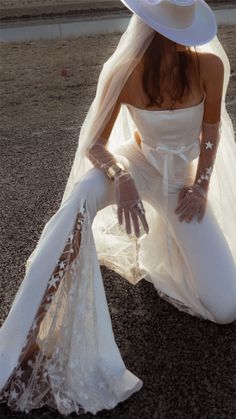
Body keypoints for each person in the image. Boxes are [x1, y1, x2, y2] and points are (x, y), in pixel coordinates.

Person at [0, 0, 236, 416]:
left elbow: (211, 132)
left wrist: (199, 187)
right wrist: (121, 176)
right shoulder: (124, 70)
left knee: (225, 307)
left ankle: (174, 241)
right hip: (133, 166)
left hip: (179, 184)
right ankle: (25, 335)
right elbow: (94, 143)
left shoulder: (210, 67)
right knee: (77, 202)